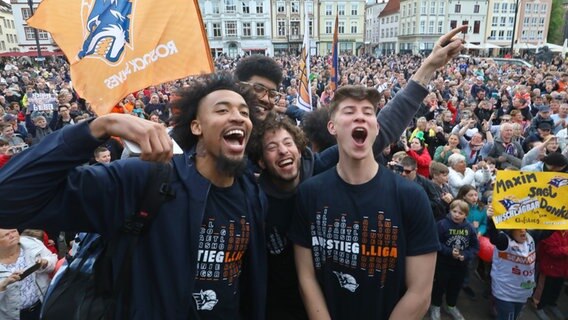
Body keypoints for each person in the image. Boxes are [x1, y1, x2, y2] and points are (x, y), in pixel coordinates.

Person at [0, 72, 268, 319]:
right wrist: (98, 128)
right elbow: (9, 197)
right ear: (196, 127)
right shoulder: (145, 181)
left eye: (244, 113)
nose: (238, 117)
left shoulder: (251, 192)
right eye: (222, 110)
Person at [289, 85, 439, 319]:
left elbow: (420, 292)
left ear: (377, 127)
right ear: (332, 127)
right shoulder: (309, 194)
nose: (360, 116)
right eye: (349, 111)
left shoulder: (411, 197)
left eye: (368, 112)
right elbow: (306, 278)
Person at [429, 200, 479, 320]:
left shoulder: (470, 228)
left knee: (455, 287)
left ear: (466, 215)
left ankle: (451, 306)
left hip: (461, 265)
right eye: (454, 211)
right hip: (443, 264)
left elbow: (475, 247)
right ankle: (435, 306)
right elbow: (436, 242)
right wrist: (449, 251)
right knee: (439, 286)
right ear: (450, 211)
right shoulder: (442, 225)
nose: (456, 215)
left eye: (460, 213)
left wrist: (465, 255)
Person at [485, 206, 536, 320]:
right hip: (505, 292)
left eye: (524, 227)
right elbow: (494, 238)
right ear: (511, 230)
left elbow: (549, 229)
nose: (523, 230)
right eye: (518, 228)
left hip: (523, 292)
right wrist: (492, 219)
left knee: (514, 316)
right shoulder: (504, 240)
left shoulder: (531, 238)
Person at [0, 228, 58, 320]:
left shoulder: (32, 244)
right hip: (13, 316)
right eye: (6, 235)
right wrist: (3, 285)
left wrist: (45, 263)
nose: (12, 235)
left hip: (41, 305)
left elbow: (53, 259)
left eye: (14, 231)